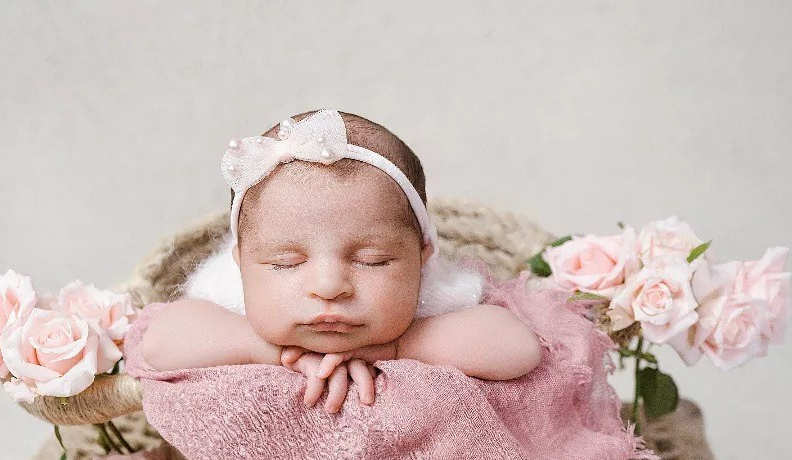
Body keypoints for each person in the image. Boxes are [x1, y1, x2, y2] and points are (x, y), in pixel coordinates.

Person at [139, 109, 544, 414]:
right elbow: (158, 344)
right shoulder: (231, 300)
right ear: (241, 262)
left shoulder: (432, 298)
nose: (330, 286)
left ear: (422, 256)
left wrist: (399, 346)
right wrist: (265, 349)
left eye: (373, 260)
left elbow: (518, 348)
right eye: (284, 263)